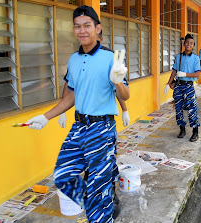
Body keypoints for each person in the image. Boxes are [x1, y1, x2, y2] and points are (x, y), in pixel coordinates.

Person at [26, 5, 130, 223]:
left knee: (97, 186)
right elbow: (70, 96)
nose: (82, 30)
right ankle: (101, 201)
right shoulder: (74, 59)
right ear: (74, 29)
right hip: (79, 127)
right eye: (78, 26)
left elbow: (125, 94)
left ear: (97, 28)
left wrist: (118, 81)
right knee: (63, 175)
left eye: (87, 26)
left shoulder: (111, 58)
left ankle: (101, 204)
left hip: (102, 128)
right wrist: (46, 117)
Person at [58, 30, 130, 128]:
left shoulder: (109, 58)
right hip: (81, 120)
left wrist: (124, 110)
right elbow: (69, 84)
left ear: (100, 40)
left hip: (102, 121)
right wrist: (62, 111)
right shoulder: (76, 58)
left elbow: (116, 86)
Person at [164, 34, 201, 142]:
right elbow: (174, 71)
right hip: (178, 86)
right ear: (184, 44)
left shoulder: (195, 58)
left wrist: (185, 74)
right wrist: (168, 83)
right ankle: (182, 129)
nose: (189, 45)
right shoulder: (179, 57)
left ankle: (195, 132)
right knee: (179, 109)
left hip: (189, 86)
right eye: (187, 43)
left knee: (192, 109)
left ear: (193, 46)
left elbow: (197, 74)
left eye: (191, 43)